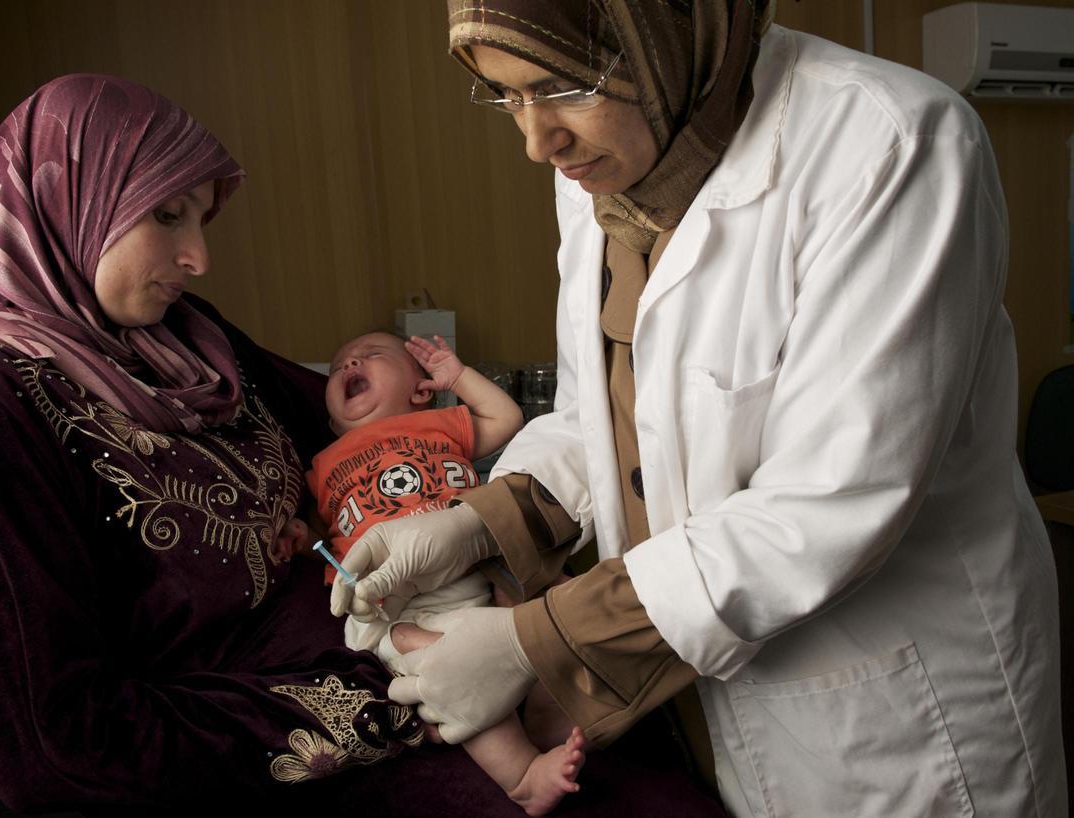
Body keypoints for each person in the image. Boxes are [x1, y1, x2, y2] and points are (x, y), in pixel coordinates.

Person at [0, 72, 728, 817]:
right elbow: (53, 746)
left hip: (403, 644)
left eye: (201, 219)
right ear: (66, 201)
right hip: (288, 742)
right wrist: (401, 703)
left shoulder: (181, 338)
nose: (199, 256)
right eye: (166, 215)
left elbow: (353, 431)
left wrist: (474, 549)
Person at [330, 2, 1070, 815]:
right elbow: (596, 417)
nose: (537, 142)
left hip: (888, 718)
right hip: (693, 702)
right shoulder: (601, 173)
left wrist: (533, 642)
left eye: (566, 86)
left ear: (664, 31)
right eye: (504, 95)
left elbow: (830, 502)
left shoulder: (890, 142)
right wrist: (480, 519)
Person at [306, 329, 584, 815]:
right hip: (395, 600)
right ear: (331, 419)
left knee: (558, 610)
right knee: (452, 665)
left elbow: (507, 417)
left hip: (474, 565)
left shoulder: (441, 424)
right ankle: (520, 777)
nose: (349, 364)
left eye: (369, 356)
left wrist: (458, 377)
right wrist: (293, 534)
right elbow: (319, 529)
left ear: (418, 390)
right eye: (337, 368)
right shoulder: (324, 464)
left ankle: (543, 707)